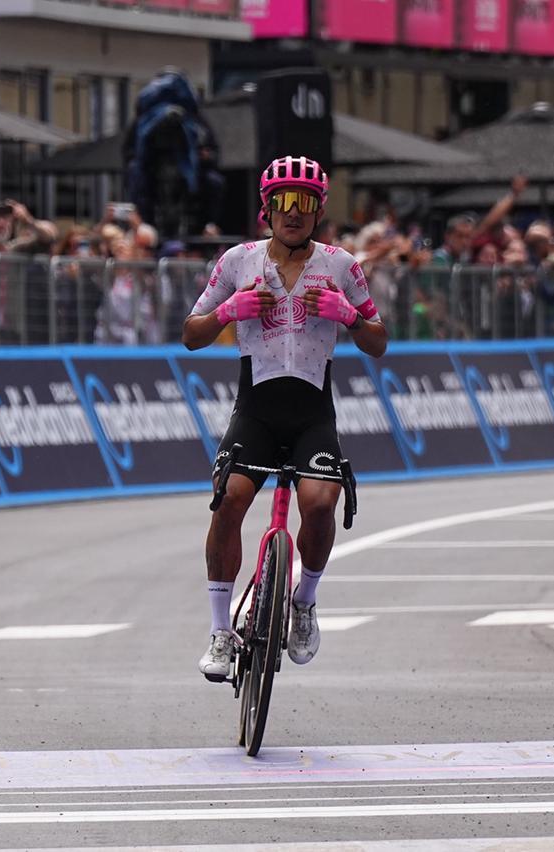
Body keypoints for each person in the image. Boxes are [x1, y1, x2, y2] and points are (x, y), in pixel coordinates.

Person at [182, 156, 388, 682]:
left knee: (319, 504)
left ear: (318, 211)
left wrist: (348, 315)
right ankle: (220, 632)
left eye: (304, 202)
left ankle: (304, 601)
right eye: (283, 202)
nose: (293, 212)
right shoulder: (239, 261)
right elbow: (191, 333)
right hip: (256, 410)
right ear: (267, 209)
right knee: (229, 500)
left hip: (312, 414)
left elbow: (378, 341)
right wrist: (229, 312)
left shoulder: (341, 265)